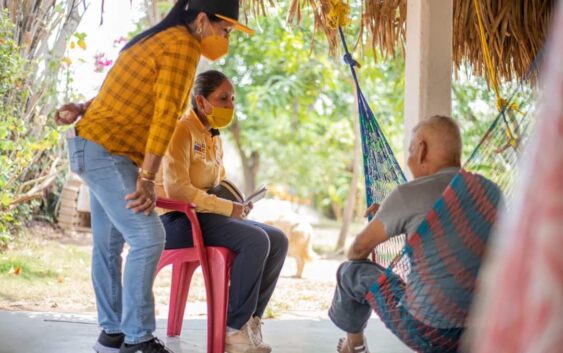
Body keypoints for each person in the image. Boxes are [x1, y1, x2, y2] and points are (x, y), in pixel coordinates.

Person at [55, 1, 253, 353]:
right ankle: (138, 339)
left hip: (97, 146)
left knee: (109, 245)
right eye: (225, 29)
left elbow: (124, 88)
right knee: (147, 237)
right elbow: (164, 116)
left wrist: (84, 108)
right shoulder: (182, 45)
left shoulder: (162, 38)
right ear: (203, 20)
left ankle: (112, 335)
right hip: (106, 150)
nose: (227, 37)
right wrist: (147, 178)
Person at [157, 70, 288, 353]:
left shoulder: (214, 136)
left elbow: (217, 183)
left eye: (232, 99)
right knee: (255, 240)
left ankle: (250, 321)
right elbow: (177, 190)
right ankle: (232, 330)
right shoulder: (181, 130)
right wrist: (227, 207)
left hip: (205, 216)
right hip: (177, 220)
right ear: (201, 102)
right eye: (223, 98)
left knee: (278, 239)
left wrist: (239, 203)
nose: (230, 105)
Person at [328, 116, 473, 353]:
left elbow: (357, 251)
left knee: (351, 271)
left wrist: (386, 216)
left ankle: (355, 346)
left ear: (422, 149)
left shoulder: (408, 194)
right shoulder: (489, 193)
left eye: (410, 150)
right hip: (483, 328)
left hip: (431, 331)